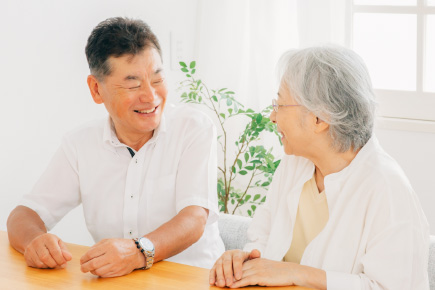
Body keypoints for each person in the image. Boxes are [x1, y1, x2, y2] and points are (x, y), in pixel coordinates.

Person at [7, 17, 224, 278]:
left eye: (157, 80)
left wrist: (137, 252)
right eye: (133, 84)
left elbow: (194, 219)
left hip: (193, 279)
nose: (150, 96)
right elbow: (25, 214)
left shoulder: (194, 128)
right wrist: (35, 241)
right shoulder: (80, 144)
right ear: (96, 89)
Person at [209, 46, 429, 289]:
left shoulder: (387, 189)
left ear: (320, 118)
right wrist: (244, 261)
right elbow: (261, 239)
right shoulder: (293, 164)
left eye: (280, 105)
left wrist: (297, 273)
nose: (272, 116)